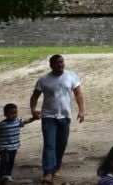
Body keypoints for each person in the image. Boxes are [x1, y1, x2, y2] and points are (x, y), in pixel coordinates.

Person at [30, 54, 86, 184]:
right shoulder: (43, 80)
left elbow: (78, 94)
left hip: (65, 116)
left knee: (61, 144)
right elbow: (34, 96)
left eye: (61, 62)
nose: (60, 65)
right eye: (56, 63)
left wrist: (82, 111)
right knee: (49, 144)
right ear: (51, 66)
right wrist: (33, 110)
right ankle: (48, 172)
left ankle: (57, 166)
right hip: (48, 116)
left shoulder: (71, 76)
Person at [0, 103, 37, 183]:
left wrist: (34, 118)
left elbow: (27, 121)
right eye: (11, 113)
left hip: (14, 146)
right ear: (5, 114)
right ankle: (3, 175)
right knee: (4, 160)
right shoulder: (2, 124)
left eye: (15, 113)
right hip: (3, 146)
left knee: (11, 161)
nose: (14, 115)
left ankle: (8, 174)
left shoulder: (18, 122)